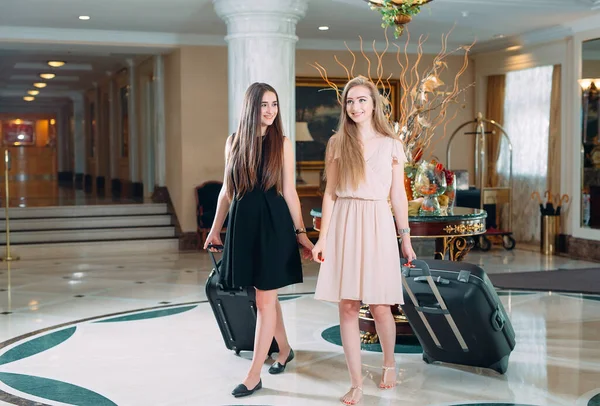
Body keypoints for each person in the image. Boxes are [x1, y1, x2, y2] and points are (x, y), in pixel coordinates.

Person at [311, 75, 417, 405]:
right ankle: (355, 382)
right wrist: (322, 238)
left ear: (374, 105)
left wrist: (406, 238)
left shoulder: (391, 144)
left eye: (362, 100)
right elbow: (329, 194)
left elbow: (398, 195)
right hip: (344, 220)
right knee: (347, 305)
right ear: (345, 107)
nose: (356, 107)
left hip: (377, 221)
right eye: (350, 101)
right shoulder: (337, 143)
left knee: (381, 305)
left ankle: (389, 363)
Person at [204, 82, 313, 398]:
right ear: (251, 107)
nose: (270, 111)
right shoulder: (234, 142)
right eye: (264, 104)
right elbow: (227, 191)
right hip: (243, 222)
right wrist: (215, 229)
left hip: (273, 223)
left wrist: (301, 233)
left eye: (275, 104)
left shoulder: (283, 143)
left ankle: (253, 375)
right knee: (264, 295)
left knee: (265, 298)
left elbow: (289, 192)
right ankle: (285, 349)